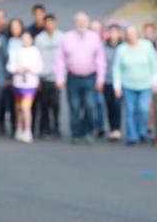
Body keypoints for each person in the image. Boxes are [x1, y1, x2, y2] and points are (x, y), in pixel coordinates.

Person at [54, 11, 106, 145]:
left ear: (88, 23)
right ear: (75, 23)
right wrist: (60, 78)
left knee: (90, 106)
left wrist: (100, 79)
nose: (82, 23)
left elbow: (100, 60)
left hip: (90, 77)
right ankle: (76, 133)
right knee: (75, 106)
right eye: (79, 21)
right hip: (73, 78)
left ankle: (88, 131)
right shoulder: (67, 37)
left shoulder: (95, 38)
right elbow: (60, 59)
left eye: (84, 21)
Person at [113, 25, 157, 146]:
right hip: (128, 85)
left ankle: (142, 131)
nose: (131, 36)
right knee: (130, 111)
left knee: (144, 109)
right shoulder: (121, 49)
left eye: (133, 33)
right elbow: (117, 68)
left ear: (137, 34)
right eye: (129, 33)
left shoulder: (147, 46)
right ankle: (132, 136)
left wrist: (155, 81)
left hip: (145, 85)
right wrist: (117, 86)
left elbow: (154, 64)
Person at [7, 32, 43, 143]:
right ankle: (19, 128)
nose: (26, 41)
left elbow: (40, 67)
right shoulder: (15, 51)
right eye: (23, 39)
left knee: (26, 107)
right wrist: (17, 69)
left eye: (28, 38)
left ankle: (28, 130)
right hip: (18, 82)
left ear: (32, 40)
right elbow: (10, 66)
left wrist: (29, 69)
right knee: (18, 108)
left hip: (30, 83)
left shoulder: (35, 51)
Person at [35, 14, 63, 138]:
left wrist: (63, 75)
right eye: (47, 22)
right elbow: (36, 57)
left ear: (55, 23)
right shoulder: (39, 39)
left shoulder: (62, 37)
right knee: (44, 104)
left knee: (56, 104)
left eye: (51, 22)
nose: (49, 25)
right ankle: (44, 127)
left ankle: (56, 126)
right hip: (44, 76)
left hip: (57, 76)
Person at [0, 18, 24, 135]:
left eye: (17, 27)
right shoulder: (6, 41)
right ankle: (1, 124)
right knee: (5, 101)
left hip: (22, 78)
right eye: (13, 27)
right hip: (7, 76)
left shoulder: (25, 40)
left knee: (18, 104)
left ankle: (17, 126)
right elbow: (3, 60)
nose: (15, 29)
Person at [103, 24, 123, 141]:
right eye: (111, 32)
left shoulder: (123, 47)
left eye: (116, 32)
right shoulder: (103, 47)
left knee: (117, 105)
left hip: (119, 82)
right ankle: (112, 128)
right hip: (107, 80)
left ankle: (117, 129)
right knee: (109, 106)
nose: (113, 34)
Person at [90, 19, 107, 138]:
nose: (95, 32)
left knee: (101, 103)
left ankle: (100, 125)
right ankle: (92, 125)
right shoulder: (86, 43)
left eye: (97, 29)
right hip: (91, 77)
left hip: (106, 78)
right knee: (92, 103)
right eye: (93, 29)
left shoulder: (105, 44)